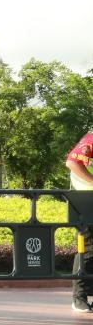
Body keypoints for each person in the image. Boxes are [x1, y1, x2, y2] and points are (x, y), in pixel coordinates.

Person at [65, 130, 93, 312]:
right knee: (88, 249)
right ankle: (79, 297)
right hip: (86, 201)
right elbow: (72, 163)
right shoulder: (91, 139)